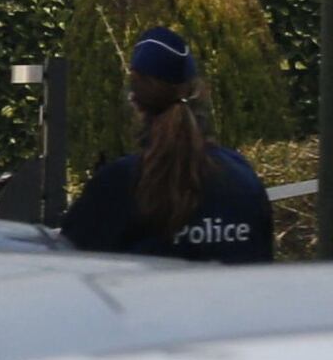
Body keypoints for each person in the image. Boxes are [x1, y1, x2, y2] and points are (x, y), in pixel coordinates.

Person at [62, 26, 277, 263]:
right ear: (198, 93)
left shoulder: (115, 186)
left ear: (134, 102)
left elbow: (69, 268)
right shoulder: (242, 178)